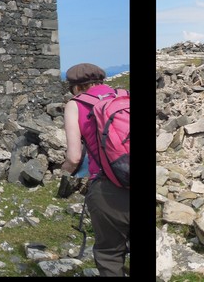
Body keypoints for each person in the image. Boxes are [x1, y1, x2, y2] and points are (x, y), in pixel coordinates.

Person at [60, 63, 129, 276]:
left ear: (77, 87)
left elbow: (74, 157)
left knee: (110, 252)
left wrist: (64, 174)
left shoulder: (75, 104)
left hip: (107, 187)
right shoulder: (123, 95)